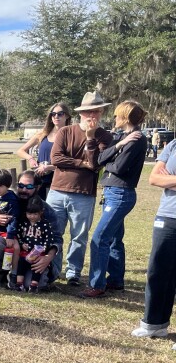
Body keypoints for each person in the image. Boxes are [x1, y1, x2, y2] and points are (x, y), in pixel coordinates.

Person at [83, 101, 148, 298]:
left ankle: (97, 284)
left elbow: (118, 167)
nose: (114, 119)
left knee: (99, 238)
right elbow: (100, 159)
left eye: (117, 115)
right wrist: (117, 146)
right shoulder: (122, 137)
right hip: (111, 192)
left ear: (125, 117)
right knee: (113, 239)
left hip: (121, 193)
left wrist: (109, 159)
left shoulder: (137, 139)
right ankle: (116, 280)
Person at [48, 90, 113, 286]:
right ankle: (53, 270)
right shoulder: (65, 131)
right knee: (53, 232)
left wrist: (91, 137)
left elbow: (95, 164)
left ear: (101, 113)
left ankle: (73, 272)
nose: (91, 115)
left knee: (79, 237)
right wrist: (81, 163)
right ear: (80, 113)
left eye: (96, 111)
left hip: (84, 194)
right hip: (57, 190)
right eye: (88, 111)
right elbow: (56, 158)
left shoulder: (105, 137)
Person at [0, 170, 62, 290]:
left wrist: (47, 258)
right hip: (12, 245)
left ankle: (38, 277)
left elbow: (57, 238)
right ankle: (2, 272)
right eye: (21, 186)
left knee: (30, 285)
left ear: (38, 187)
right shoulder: (7, 200)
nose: (24, 190)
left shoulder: (45, 210)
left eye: (29, 186)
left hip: (35, 255)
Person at [132, 137, 176, 344]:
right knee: (158, 270)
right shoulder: (173, 144)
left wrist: (172, 179)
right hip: (167, 216)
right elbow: (154, 178)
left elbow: (164, 179)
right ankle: (154, 325)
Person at [16, 102, 72, 200]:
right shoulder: (43, 134)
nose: (56, 116)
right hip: (40, 180)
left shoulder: (71, 136)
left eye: (60, 114)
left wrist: (49, 167)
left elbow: (71, 161)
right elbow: (21, 151)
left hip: (60, 181)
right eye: (53, 114)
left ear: (66, 116)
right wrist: (30, 159)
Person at [15, 196, 56, 292]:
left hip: (38, 253)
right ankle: (19, 284)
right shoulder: (24, 223)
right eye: (29, 214)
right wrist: (21, 244)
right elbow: (19, 235)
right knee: (21, 264)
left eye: (35, 214)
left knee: (37, 267)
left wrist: (44, 249)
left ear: (41, 212)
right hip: (25, 252)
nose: (32, 216)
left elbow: (49, 238)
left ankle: (34, 285)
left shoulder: (45, 224)